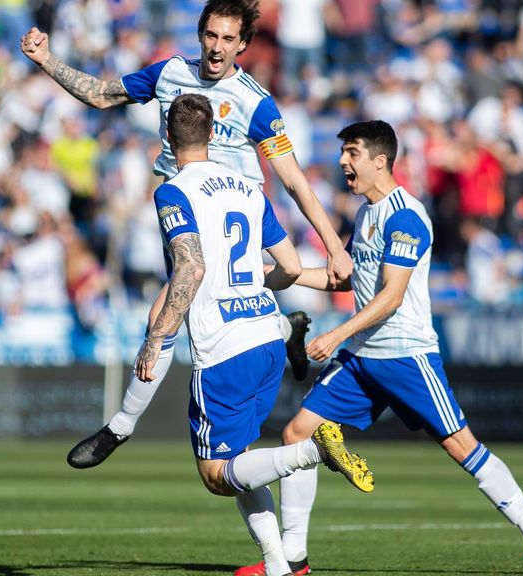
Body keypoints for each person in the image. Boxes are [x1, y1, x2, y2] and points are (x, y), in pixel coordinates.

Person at [19, 0, 353, 468]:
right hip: (180, 212)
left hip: (232, 213)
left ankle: (120, 427)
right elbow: (101, 95)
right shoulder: (170, 73)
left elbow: (295, 180)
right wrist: (46, 60)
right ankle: (284, 328)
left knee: (165, 314)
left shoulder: (255, 102)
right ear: (200, 35)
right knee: (214, 313)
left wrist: (335, 246)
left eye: (228, 39)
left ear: (243, 44)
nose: (217, 48)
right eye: (211, 36)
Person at [234, 120, 523, 576]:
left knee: (463, 448)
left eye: (352, 153)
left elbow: (391, 296)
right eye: (342, 152)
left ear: (380, 160)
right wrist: (271, 277)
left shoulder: (406, 216)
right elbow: (347, 279)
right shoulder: (366, 214)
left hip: (406, 355)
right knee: (297, 434)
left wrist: (336, 334)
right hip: (363, 359)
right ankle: (292, 559)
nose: (342, 161)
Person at [136, 93, 369, 576]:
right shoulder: (246, 188)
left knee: (216, 475)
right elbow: (289, 266)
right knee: (239, 459)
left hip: (224, 347)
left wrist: (156, 338)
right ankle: (277, 565)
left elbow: (190, 268)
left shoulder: (172, 191)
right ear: (213, 134)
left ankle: (312, 450)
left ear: (167, 137)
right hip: (268, 334)